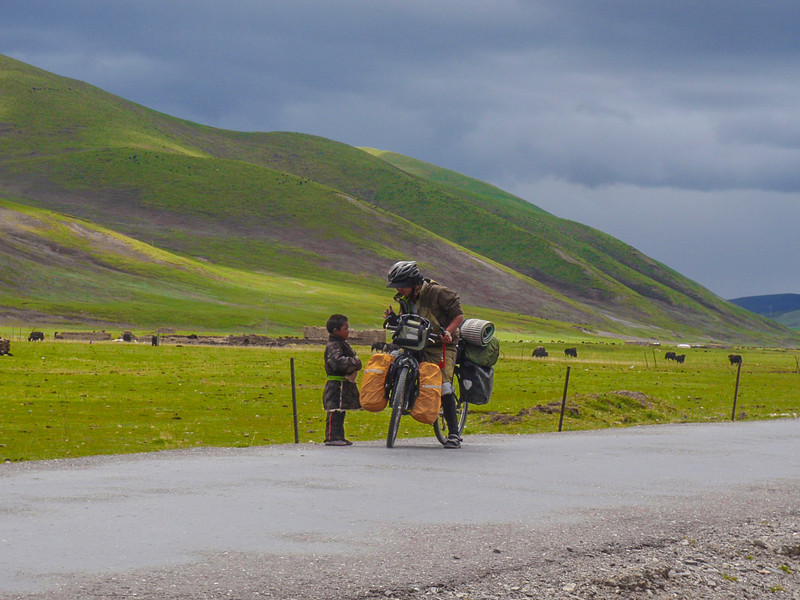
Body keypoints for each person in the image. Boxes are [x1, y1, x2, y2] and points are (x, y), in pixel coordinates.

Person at [383, 260, 465, 448]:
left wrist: (448, 332)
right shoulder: (405, 298)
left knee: (444, 385)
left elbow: (458, 316)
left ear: (414, 283)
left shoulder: (438, 292)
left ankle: (453, 434)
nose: (398, 290)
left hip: (440, 344)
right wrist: (393, 319)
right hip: (415, 342)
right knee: (392, 363)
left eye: (401, 286)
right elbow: (408, 319)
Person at [322, 314, 362, 446]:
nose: (348, 331)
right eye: (345, 329)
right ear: (336, 331)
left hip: (342, 384)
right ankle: (332, 437)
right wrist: (355, 362)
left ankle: (340, 436)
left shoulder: (340, 344)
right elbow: (337, 362)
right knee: (334, 410)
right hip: (335, 385)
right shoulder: (333, 346)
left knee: (341, 410)